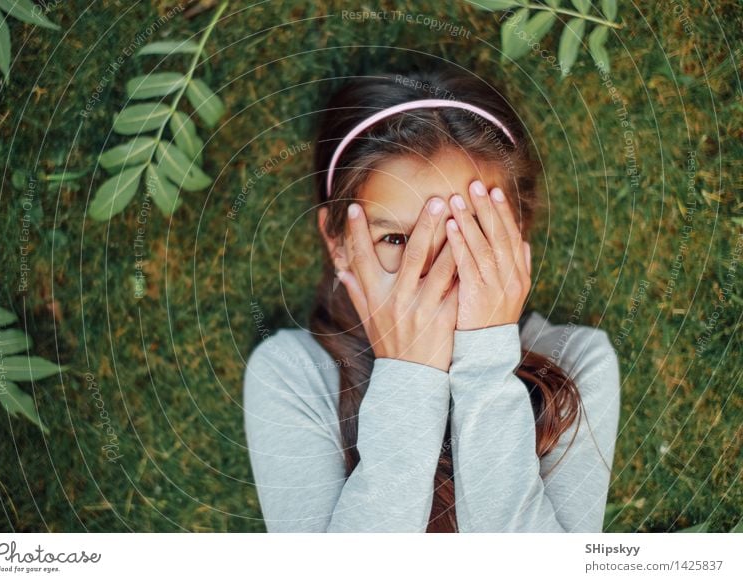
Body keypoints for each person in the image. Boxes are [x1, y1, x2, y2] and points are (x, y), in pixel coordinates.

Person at [243, 68, 621, 532]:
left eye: (468, 234)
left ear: (515, 231)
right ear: (337, 242)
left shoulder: (579, 361)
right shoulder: (291, 373)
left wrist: (484, 363)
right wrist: (408, 375)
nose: (436, 276)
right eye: (398, 239)